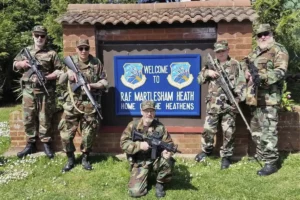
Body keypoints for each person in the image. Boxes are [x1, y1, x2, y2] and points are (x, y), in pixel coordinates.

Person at [242, 24, 289, 176]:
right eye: (260, 35)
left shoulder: (278, 50)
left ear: (271, 34)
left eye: (265, 34)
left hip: (270, 98)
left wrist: (261, 77)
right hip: (255, 98)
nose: (263, 37)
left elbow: (280, 71)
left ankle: (271, 163)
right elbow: (246, 64)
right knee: (256, 129)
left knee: (269, 131)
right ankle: (261, 155)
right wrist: (247, 73)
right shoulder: (255, 51)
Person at [58, 39, 109, 172]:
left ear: (89, 49)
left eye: (86, 48)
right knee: (65, 134)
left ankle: (85, 158)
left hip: (89, 104)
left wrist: (92, 85)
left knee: (89, 134)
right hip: (72, 104)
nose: (83, 51)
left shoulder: (96, 63)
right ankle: (70, 158)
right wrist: (67, 73)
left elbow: (104, 81)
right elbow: (60, 80)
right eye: (80, 48)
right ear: (76, 49)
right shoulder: (70, 62)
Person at [194, 40, 246, 169]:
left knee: (229, 132)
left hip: (229, 105)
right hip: (213, 105)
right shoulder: (211, 64)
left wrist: (238, 99)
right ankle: (206, 151)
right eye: (218, 52)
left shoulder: (235, 64)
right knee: (208, 130)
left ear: (227, 50)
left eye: (223, 51)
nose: (221, 53)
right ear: (215, 53)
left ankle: (226, 157)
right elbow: (199, 80)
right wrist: (207, 73)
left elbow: (242, 83)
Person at [13, 25, 63, 159]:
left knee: (45, 117)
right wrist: (21, 64)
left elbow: (59, 70)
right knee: (28, 117)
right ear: (33, 36)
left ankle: (46, 143)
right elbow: (15, 64)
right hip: (28, 91)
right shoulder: (25, 51)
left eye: (42, 36)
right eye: (37, 35)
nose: (39, 38)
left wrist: (47, 77)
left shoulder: (51, 53)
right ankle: (31, 144)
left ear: (46, 37)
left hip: (45, 91)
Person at [120, 100, 175, 198]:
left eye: (152, 111)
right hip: (140, 162)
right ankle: (144, 177)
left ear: (155, 112)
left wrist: (167, 152)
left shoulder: (160, 127)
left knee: (168, 160)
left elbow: (169, 143)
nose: (149, 114)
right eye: (146, 111)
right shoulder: (133, 125)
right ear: (141, 111)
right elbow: (123, 144)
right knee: (135, 192)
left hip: (155, 160)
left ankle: (160, 183)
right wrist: (139, 146)